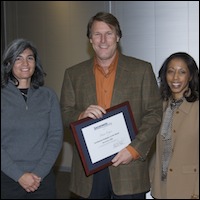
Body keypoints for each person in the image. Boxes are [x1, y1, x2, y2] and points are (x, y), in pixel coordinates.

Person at [60, 11, 162, 199]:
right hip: (88, 172)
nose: (103, 40)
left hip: (128, 167)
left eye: (109, 33)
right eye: (97, 34)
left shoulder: (141, 70)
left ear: (118, 36)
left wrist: (134, 150)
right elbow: (64, 114)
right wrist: (80, 116)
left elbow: (154, 114)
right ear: (90, 39)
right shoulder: (73, 74)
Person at [1, 38, 64, 199]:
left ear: (36, 63)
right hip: (7, 178)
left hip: (42, 178)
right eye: (18, 58)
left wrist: (38, 173)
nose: (25, 63)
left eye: (30, 58)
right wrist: (20, 176)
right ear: (8, 63)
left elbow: (55, 137)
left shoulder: (48, 96)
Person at [149, 52, 199, 199]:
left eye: (182, 72)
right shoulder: (158, 107)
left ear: (190, 76)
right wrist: (152, 179)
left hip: (189, 189)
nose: (175, 77)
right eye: (171, 71)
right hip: (161, 188)